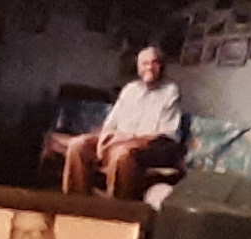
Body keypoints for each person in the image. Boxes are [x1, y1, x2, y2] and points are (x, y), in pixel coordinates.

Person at [43, 45, 184, 199]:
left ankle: (117, 208)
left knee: (121, 153)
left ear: (161, 66)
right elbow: (111, 123)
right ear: (138, 67)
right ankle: (76, 203)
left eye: (154, 62)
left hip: (151, 145)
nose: (149, 67)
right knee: (78, 145)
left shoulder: (170, 91)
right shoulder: (130, 89)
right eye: (145, 63)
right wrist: (103, 137)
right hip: (118, 142)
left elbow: (162, 135)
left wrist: (127, 138)